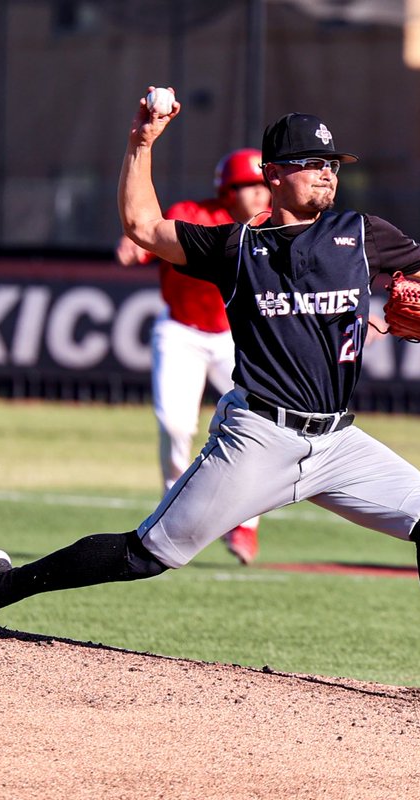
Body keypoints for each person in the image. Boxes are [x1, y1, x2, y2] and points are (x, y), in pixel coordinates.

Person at [0, 90, 420, 718]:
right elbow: (142, 227)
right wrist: (142, 142)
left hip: (338, 442)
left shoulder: (361, 235)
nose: (326, 176)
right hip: (259, 437)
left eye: (332, 165)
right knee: (147, 555)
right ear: (273, 175)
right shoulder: (237, 249)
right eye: (312, 164)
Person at [115, 148, 271, 564]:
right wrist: (135, 246)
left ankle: (246, 526)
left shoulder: (271, 225)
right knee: (175, 423)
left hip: (233, 337)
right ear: (227, 189)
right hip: (181, 330)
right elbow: (149, 239)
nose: (259, 195)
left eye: (262, 185)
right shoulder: (190, 212)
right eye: (248, 186)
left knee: (262, 426)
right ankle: (175, 515)